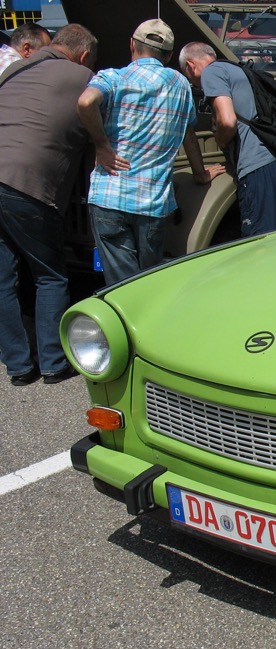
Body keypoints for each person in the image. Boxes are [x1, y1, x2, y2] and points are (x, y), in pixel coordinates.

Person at [77, 20, 225, 286]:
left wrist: (101, 145)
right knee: (148, 281)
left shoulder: (113, 77)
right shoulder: (180, 84)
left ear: (132, 44)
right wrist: (200, 174)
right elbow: (189, 134)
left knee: (121, 286)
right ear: (169, 55)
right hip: (152, 201)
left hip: (110, 195)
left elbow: (86, 102)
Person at [0, 24, 98, 386]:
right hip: (29, 184)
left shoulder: (14, 69)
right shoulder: (83, 76)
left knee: (2, 279)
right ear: (84, 54)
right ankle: (55, 364)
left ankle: (19, 367)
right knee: (50, 275)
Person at [180, 41, 276, 237]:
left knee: (259, 246)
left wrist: (220, 139)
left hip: (256, 168)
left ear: (190, 66)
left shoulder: (211, 73)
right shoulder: (236, 69)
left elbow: (227, 121)